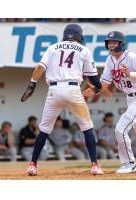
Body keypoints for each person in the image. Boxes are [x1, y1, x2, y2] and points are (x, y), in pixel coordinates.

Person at [21, 24, 110, 176]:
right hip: (73, 89)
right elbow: (94, 79)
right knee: (87, 127)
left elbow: (39, 68)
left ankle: (33, 165)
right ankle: (94, 165)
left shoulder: (52, 47)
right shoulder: (84, 50)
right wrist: (97, 88)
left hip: (54, 90)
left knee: (44, 129)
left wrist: (32, 85)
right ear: (79, 36)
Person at [83, 31, 136, 173]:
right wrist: (94, 90)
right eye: (109, 42)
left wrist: (130, 73)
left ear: (121, 44)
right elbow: (105, 82)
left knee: (121, 129)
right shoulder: (110, 60)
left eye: (114, 42)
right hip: (131, 97)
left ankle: (128, 163)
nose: (111, 45)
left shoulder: (131, 57)